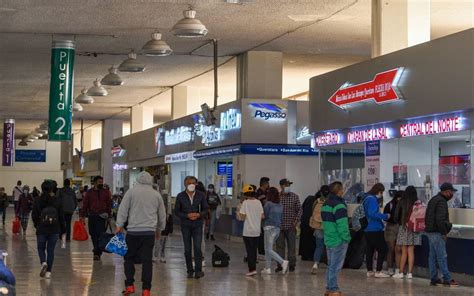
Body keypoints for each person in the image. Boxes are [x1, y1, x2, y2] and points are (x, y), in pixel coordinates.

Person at [116, 171, 166, 296]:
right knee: (147, 261)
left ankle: (130, 286)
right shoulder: (156, 194)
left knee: (128, 258)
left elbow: (123, 209)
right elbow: (162, 214)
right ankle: (146, 289)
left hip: (133, 232)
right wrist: (160, 228)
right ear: (150, 180)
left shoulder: (131, 192)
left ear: (137, 180)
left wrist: (119, 225)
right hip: (149, 232)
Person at [425, 183, 459, 287]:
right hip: (437, 232)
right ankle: (447, 279)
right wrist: (444, 232)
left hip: (430, 231)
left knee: (432, 256)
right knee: (442, 256)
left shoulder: (434, 199)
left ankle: (434, 278)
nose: (452, 194)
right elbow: (440, 220)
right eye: (451, 192)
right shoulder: (441, 202)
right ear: (446, 191)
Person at [174, 176, 208, 279]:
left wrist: (199, 215)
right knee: (187, 249)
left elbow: (206, 209)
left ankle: (198, 271)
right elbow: (177, 211)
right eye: (189, 183)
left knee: (197, 248)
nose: (192, 184)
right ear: (185, 184)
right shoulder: (180, 196)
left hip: (197, 224)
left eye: (194, 182)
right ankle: (190, 270)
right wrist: (187, 215)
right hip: (186, 225)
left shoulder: (201, 195)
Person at [321, 181, 351, 296]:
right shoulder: (339, 205)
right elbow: (342, 224)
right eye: (342, 189)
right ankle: (333, 289)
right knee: (335, 266)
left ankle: (329, 288)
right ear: (339, 191)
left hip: (328, 238)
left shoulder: (325, 204)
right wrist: (346, 238)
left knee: (331, 265)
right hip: (338, 239)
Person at [31, 180, 66, 279]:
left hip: (42, 228)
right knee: (51, 250)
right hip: (54, 229)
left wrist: (37, 225)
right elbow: (61, 216)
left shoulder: (38, 200)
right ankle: (48, 272)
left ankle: (43, 262)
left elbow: (34, 215)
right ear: (52, 189)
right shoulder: (57, 200)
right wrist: (63, 230)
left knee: (41, 248)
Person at [80, 176, 112, 261]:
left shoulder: (106, 192)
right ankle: (96, 249)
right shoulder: (89, 193)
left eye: (102, 181)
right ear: (95, 182)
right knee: (93, 234)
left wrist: (109, 215)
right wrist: (82, 215)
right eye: (99, 182)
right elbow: (85, 204)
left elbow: (109, 204)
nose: (101, 183)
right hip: (92, 216)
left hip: (102, 216)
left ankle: (97, 252)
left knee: (100, 234)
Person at [392, 187, 421, 279]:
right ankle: (410, 274)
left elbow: (396, 217)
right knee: (411, 251)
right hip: (414, 229)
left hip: (404, 228)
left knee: (404, 251)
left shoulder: (401, 202)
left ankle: (400, 272)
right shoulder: (418, 203)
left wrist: (402, 222)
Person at [364, 183, 390, 278]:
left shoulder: (366, 198)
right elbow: (372, 214)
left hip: (367, 228)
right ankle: (378, 271)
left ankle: (370, 270)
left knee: (370, 250)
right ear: (378, 191)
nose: (381, 194)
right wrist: (385, 216)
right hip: (374, 228)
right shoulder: (372, 199)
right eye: (381, 192)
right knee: (383, 249)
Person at [276, 179, 302, 273]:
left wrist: (296, 221)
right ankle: (280, 264)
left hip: (291, 226)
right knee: (279, 246)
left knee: (292, 247)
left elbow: (299, 210)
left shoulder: (295, 197)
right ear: (281, 186)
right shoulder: (277, 197)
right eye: (286, 185)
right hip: (279, 227)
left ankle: (292, 265)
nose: (288, 187)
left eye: (289, 185)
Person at [261, 187, 289, 275]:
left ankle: (282, 262)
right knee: (268, 249)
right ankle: (267, 268)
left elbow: (264, 216)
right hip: (277, 229)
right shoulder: (280, 205)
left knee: (268, 249)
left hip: (269, 228)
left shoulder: (268, 204)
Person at [239, 185, 264, 276]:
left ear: (245, 194)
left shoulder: (245, 203)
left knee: (249, 251)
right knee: (254, 250)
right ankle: (253, 268)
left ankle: (252, 269)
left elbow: (242, 217)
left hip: (248, 231)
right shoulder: (258, 202)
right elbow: (262, 216)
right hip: (257, 231)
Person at [310, 185, 330, 274]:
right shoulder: (331, 202)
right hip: (329, 227)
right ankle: (330, 265)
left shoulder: (316, 202)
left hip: (318, 227)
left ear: (320, 192)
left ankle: (315, 264)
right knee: (329, 247)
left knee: (319, 246)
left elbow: (312, 213)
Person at [384, 190, 403, 276]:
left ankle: (398, 269)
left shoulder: (403, 205)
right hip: (391, 227)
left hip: (400, 227)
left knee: (397, 249)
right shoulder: (389, 205)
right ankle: (390, 268)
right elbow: (385, 217)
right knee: (391, 249)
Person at [299, 191, 318, 261]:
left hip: (304, 222)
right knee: (312, 241)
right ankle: (310, 256)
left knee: (304, 239)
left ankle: (304, 255)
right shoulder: (319, 202)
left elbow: (302, 209)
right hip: (313, 224)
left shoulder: (309, 198)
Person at [256, 177, 270, 257]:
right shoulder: (260, 192)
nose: (268, 185)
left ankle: (262, 250)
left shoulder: (265, 192)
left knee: (263, 234)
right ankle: (261, 251)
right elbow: (265, 202)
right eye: (267, 183)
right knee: (261, 234)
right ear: (264, 184)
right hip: (260, 216)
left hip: (264, 216)